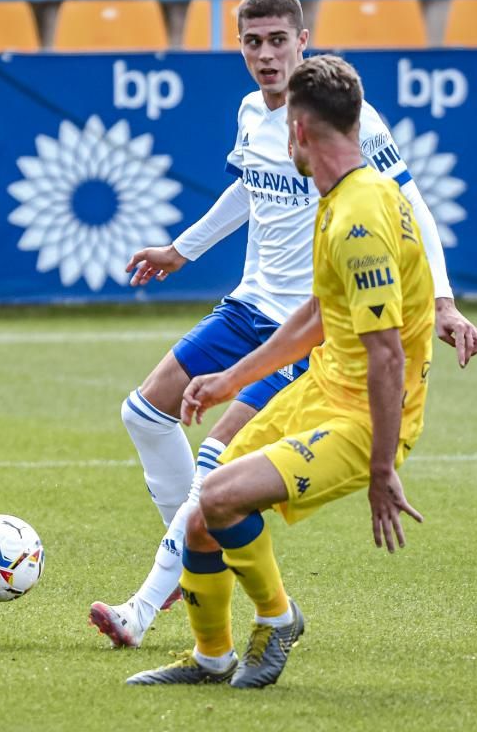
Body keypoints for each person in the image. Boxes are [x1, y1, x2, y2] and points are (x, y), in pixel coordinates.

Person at [89, 0, 477, 649]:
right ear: (239, 45)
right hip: (249, 304)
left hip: (305, 326)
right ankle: (196, 546)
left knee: (216, 464)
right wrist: (182, 250)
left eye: (278, 40)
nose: (266, 55)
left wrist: (442, 301)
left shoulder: (350, 124)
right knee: (144, 412)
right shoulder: (251, 112)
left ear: (305, 40)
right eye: (253, 41)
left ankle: (147, 600)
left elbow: (414, 207)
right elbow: (249, 184)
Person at [127, 53, 432, 688]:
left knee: (215, 495)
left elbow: (386, 354)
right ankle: (211, 657)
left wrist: (381, 469)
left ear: (297, 131)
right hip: (322, 383)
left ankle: (279, 617)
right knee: (199, 519)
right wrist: (232, 380)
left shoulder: (356, 220)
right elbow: (319, 314)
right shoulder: (342, 196)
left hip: (362, 417)